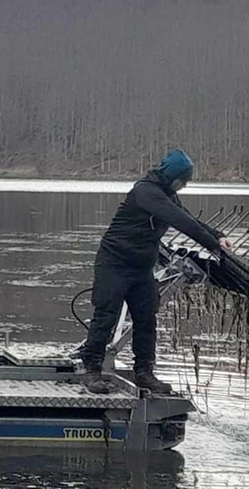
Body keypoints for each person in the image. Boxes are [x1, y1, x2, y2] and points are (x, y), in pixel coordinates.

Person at [80, 149, 233, 394]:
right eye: (183, 180)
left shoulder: (167, 194)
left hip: (141, 267)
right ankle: (92, 370)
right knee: (106, 315)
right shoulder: (146, 192)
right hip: (114, 263)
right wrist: (212, 244)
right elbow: (180, 222)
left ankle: (144, 372)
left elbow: (187, 217)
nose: (185, 185)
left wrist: (218, 236)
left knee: (146, 318)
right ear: (173, 176)